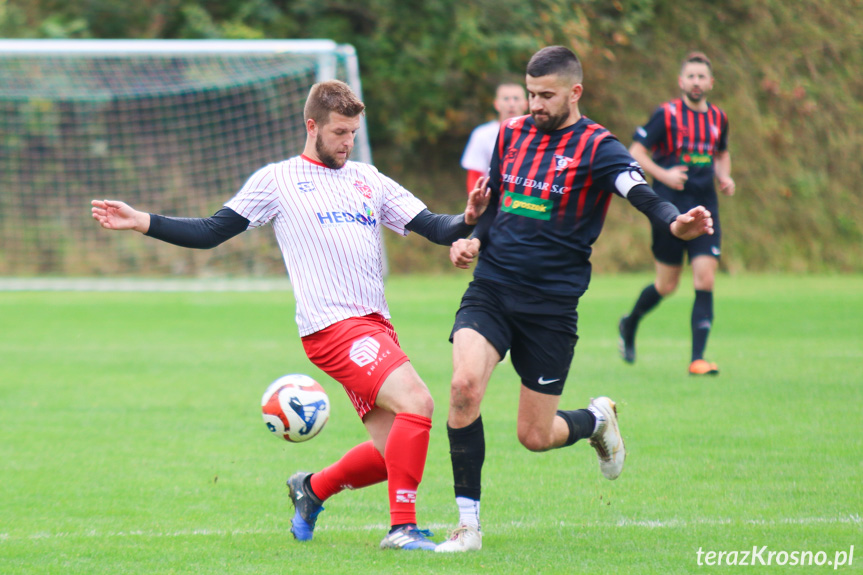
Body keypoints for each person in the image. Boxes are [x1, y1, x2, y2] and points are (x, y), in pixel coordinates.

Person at [91, 80, 490, 551]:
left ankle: (311, 489)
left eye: (353, 133)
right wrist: (143, 221)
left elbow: (434, 227)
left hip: (376, 325)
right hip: (332, 328)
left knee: (393, 452)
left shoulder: (368, 178)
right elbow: (211, 231)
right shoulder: (277, 180)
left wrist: (467, 219)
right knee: (418, 403)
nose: (347, 142)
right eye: (339, 132)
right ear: (312, 126)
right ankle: (402, 528)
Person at [434, 46, 714, 553]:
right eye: (531, 93)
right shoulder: (511, 134)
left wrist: (673, 220)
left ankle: (596, 421)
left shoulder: (598, 146)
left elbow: (639, 191)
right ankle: (467, 526)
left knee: (534, 437)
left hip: (552, 307)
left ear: (574, 92)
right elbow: (497, 203)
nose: (534, 105)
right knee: (462, 388)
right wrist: (474, 236)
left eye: (546, 96)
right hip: (492, 289)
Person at [618, 51, 735, 376]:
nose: (696, 82)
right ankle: (630, 323)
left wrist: (725, 176)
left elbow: (722, 154)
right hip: (668, 209)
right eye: (691, 76)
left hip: (705, 207)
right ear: (681, 81)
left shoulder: (718, 118)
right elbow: (636, 152)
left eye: (702, 77)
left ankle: (697, 359)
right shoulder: (666, 115)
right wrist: (664, 175)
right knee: (667, 284)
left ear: (710, 82)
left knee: (705, 277)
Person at [460, 82, 528, 193]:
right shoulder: (482, 134)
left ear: (526, 104)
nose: (511, 104)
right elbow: (475, 174)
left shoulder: (537, 134)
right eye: (506, 99)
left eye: (516, 99)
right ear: (496, 104)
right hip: (493, 200)